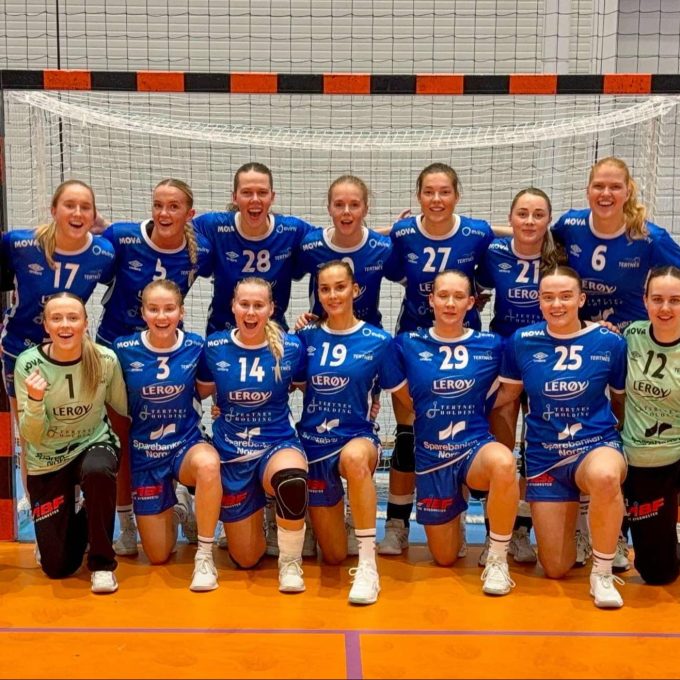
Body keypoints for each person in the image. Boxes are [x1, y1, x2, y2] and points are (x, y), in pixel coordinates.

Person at [552, 156, 680, 569]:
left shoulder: (649, 237)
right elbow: (529, 234)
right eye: (599, 186)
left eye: (614, 187)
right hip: (584, 345)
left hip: (633, 348)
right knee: (579, 432)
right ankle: (582, 527)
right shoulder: (570, 225)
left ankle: (617, 532)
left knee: (622, 432)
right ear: (588, 190)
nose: (605, 194)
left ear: (628, 192)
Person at [493, 265, 628, 608]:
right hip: (546, 456)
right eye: (549, 297)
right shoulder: (521, 342)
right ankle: (581, 524)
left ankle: (602, 573)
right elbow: (507, 396)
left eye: (566, 296)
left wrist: (619, 442)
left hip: (594, 445)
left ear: (581, 299)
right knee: (555, 567)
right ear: (539, 301)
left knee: (606, 475)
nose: (557, 304)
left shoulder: (610, 342)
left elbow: (620, 400)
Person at [379, 162, 494, 555]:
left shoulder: (477, 233)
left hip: (466, 342)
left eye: (444, 191)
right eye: (428, 192)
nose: (437, 199)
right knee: (409, 436)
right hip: (414, 342)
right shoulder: (404, 233)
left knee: (468, 434)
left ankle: (465, 520)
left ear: (457, 196)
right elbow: (388, 264)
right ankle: (396, 525)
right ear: (418, 196)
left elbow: (498, 263)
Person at [96, 178, 213, 558]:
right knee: (122, 438)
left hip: (168, 351)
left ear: (189, 214)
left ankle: (184, 497)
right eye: (158, 204)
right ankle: (127, 522)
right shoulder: (122, 237)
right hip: (117, 349)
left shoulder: (200, 251)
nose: (164, 213)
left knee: (181, 424)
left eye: (173, 206)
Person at [389, 269, 518, 595]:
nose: (450, 303)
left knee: (504, 463)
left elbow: (512, 387)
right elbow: (402, 394)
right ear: (431, 299)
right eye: (443, 295)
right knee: (445, 558)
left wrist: (483, 405)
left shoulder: (493, 345)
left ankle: (498, 557)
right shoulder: (407, 344)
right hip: (433, 457)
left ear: (471, 303)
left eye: (458, 296)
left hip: (474, 448)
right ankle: (455, 505)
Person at [0, 179, 116, 513]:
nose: (77, 213)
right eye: (69, 205)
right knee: (29, 432)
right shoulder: (19, 243)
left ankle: (76, 499)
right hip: (20, 348)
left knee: (73, 426)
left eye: (85, 207)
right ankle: (42, 508)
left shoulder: (103, 253)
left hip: (71, 351)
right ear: (53, 210)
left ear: (94, 215)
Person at [294, 261, 406, 604]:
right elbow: (286, 385)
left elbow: (405, 395)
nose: (333, 295)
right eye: (325, 289)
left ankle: (369, 565)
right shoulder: (305, 338)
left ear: (355, 290)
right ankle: (332, 520)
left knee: (356, 459)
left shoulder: (379, 341)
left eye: (340, 287)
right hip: (314, 445)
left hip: (357, 438)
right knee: (333, 556)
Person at [196, 277, 309, 594]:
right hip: (233, 454)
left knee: (291, 479)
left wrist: (370, 401)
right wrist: (215, 408)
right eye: (244, 304)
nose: (250, 312)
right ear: (233, 306)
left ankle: (290, 562)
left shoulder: (291, 347)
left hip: (277, 443)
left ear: (271, 309)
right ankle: (262, 515)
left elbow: (310, 390)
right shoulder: (214, 347)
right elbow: (198, 393)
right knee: (246, 559)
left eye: (258, 305)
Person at [475, 188, 566, 565]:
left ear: (549, 220)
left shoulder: (561, 255)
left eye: (538, 215)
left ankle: (523, 530)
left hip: (547, 355)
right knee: (501, 448)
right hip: (505, 354)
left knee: (538, 446)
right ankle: (496, 533)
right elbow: (476, 290)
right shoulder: (494, 253)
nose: (530, 221)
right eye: (522, 214)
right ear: (510, 218)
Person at [112, 280, 222, 591]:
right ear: (143, 312)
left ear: (181, 312)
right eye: (154, 309)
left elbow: (210, 387)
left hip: (185, 445)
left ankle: (204, 556)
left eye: (169, 309)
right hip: (145, 453)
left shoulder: (196, 346)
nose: (162, 316)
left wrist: (223, 408)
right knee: (158, 555)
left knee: (208, 464)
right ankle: (177, 507)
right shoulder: (123, 349)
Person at [13, 292, 127, 593]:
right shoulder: (28, 364)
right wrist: (35, 400)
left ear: (85, 323)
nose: (65, 324)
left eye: (73, 318)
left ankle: (102, 564)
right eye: (57, 318)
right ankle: (87, 515)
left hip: (94, 443)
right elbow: (31, 436)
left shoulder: (105, 359)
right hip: (47, 457)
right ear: (46, 326)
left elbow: (123, 409)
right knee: (57, 567)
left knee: (99, 471)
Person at [193, 162, 315, 335]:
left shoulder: (292, 231)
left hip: (274, 335)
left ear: (272, 197)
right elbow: (176, 232)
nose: (255, 199)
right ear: (234, 197)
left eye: (262, 193)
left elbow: (330, 245)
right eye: (247, 192)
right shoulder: (213, 226)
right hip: (222, 336)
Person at [621, 265, 680, 585]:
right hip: (644, 457)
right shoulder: (633, 335)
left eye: (675, 300)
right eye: (657, 299)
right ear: (645, 301)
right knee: (658, 574)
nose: (665, 308)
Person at [293, 175, 398, 329]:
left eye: (354, 205)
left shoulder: (382, 248)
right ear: (329, 209)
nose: (346, 211)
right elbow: (289, 275)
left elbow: (411, 283)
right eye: (339, 205)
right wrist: (304, 321)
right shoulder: (311, 246)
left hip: (368, 335)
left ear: (365, 209)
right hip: (321, 333)